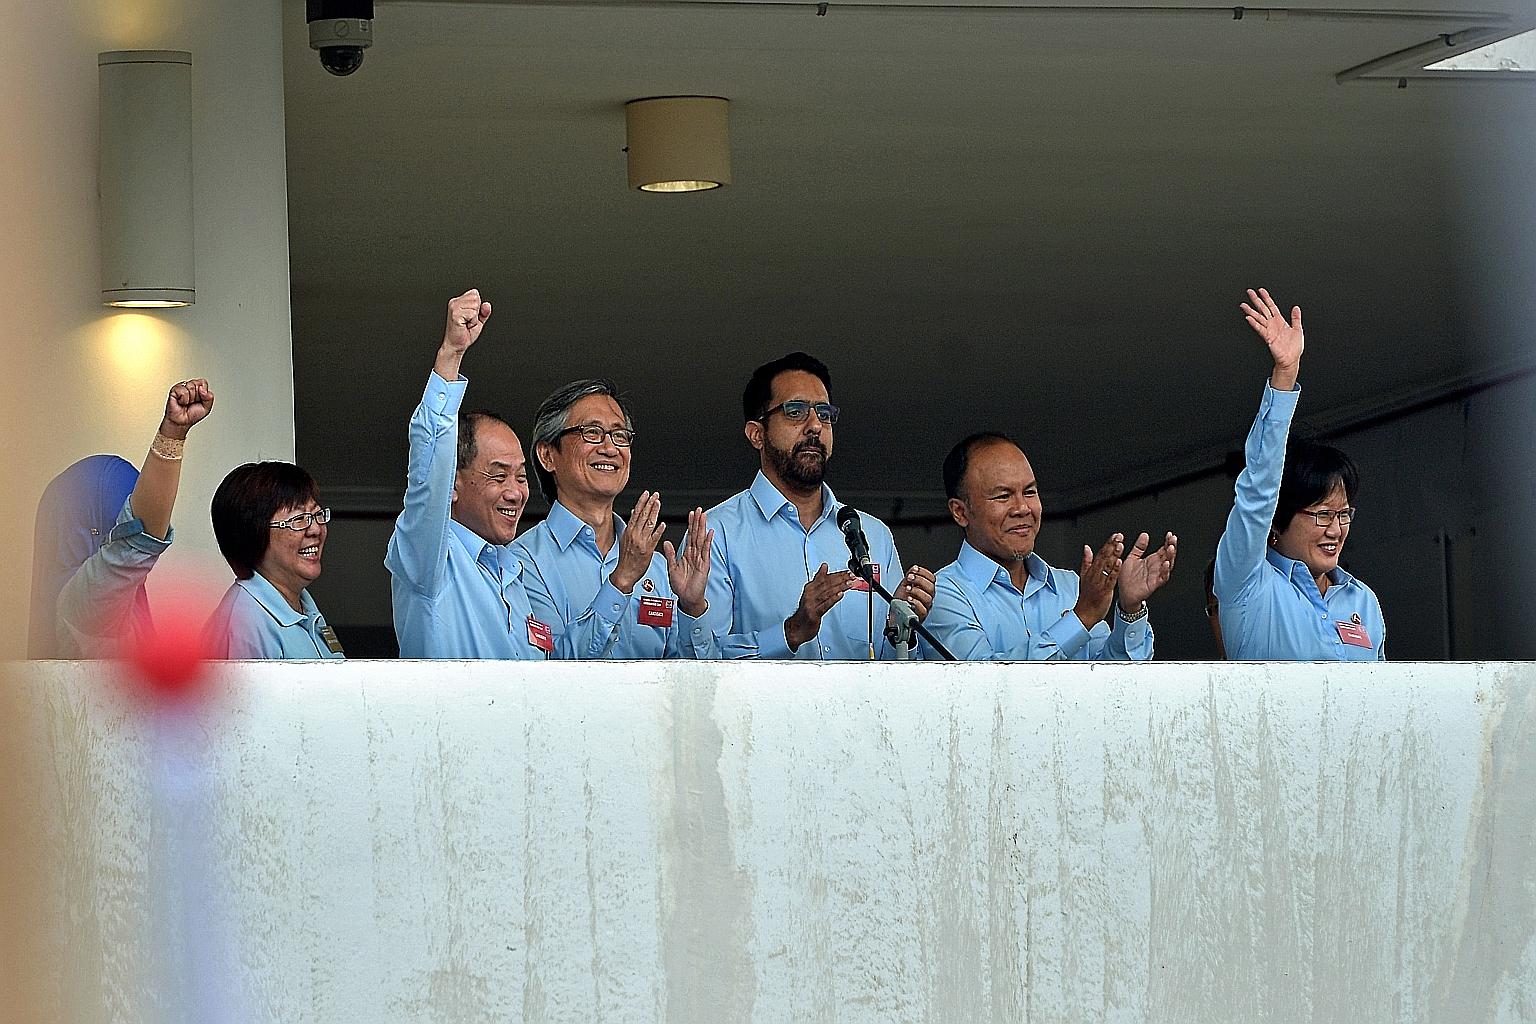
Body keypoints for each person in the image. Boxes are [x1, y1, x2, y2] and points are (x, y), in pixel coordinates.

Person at [702, 352, 937, 659]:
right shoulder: (716, 533)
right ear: (756, 434)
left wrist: (899, 631)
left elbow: (894, 675)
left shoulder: (872, 535)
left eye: (824, 414)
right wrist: (792, 632)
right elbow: (699, 661)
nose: (815, 426)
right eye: (795, 411)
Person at [1213, 287, 1385, 660]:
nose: (1336, 529)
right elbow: (1258, 492)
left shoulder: (1364, 603)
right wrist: (1285, 374)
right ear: (1277, 523)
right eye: (1323, 514)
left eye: (1343, 515)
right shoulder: (1248, 584)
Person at [385, 289, 549, 658]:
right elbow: (428, 476)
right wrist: (451, 355)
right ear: (454, 485)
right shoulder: (431, 558)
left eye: (521, 478)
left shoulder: (514, 569)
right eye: (498, 475)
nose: (515, 493)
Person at [924, 433, 1177, 660]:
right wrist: (1083, 617)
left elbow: (1115, 687)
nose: (1022, 508)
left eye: (1030, 492)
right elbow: (988, 689)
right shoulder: (939, 596)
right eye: (1003, 496)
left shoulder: (1071, 586)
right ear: (960, 512)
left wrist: (1129, 608)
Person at [512, 380, 718, 658]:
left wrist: (692, 608)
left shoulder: (657, 567)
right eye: (592, 432)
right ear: (548, 455)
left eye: (620, 435)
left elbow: (692, 687)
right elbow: (549, 671)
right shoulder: (521, 562)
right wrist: (620, 582)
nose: (610, 448)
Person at [29, 379, 215, 659]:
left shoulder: (105, 603)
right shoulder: (85, 604)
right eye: (120, 517)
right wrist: (173, 435)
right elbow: (139, 540)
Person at [205, 462, 344, 659]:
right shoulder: (246, 623)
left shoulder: (301, 603)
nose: (315, 530)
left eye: (317, 514)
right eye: (299, 520)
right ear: (254, 532)